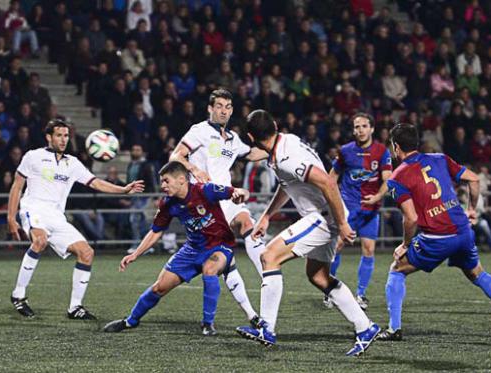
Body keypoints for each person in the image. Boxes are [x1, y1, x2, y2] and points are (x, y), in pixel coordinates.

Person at [236, 110, 380, 357]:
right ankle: (365, 327)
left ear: (251, 136)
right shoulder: (284, 143)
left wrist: (343, 223)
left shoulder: (285, 157)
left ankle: (266, 328)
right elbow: (288, 184)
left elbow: (328, 182)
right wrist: (267, 216)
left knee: (269, 257)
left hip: (323, 217)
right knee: (318, 276)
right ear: (275, 124)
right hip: (325, 215)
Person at [377, 123, 491, 341]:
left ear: (396, 147)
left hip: (436, 239)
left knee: (397, 269)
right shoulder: (440, 159)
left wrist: (405, 245)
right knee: (478, 274)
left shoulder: (397, 177)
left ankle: (394, 329)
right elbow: (474, 180)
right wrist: (472, 209)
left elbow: (411, 218)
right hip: (463, 233)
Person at [7, 119, 144, 320]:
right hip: (33, 208)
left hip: (56, 216)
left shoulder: (72, 163)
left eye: (66, 136)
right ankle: (18, 294)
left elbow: (96, 183)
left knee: (86, 252)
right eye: (59, 135)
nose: (63, 140)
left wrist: (122, 189)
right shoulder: (33, 157)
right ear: (49, 137)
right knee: (40, 240)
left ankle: (75, 307)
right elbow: (17, 186)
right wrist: (11, 217)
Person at [103, 161, 250, 335]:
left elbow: (239, 192)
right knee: (159, 287)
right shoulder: (167, 204)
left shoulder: (205, 191)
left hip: (220, 246)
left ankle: (207, 324)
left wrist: (241, 192)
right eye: (162, 181)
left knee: (209, 270)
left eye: (166, 181)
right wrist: (135, 254)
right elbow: (155, 232)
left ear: (181, 179)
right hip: (192, 249)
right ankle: (130, 321)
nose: (163, 185)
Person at [170, 88, 268, 327]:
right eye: (219, 106)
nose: (223, 110)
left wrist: (275, 145)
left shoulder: (233, 139)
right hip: (206, 203)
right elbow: (176, 155)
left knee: (248, 223)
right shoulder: (199, 131)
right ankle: (251, 314)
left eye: (227, 107)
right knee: (226, 264)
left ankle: (267, 275)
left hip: (228, 197)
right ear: (210, 109)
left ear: (231, 110)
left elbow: (252, 152)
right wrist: (194, 170)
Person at [326, 113, 392, 309]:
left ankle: (361, 295)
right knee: (336, 247)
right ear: (353, 130)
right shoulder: (345, 151)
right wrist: (335, 201)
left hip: (370, 210)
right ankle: (329, 291)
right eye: (357, 127)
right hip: (348, 209)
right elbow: (331, 178)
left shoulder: (382, 152)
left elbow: (387, 179)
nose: (360, 130)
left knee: (369, 250)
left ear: (372, 129)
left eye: (364, 126)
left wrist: (378, 197)